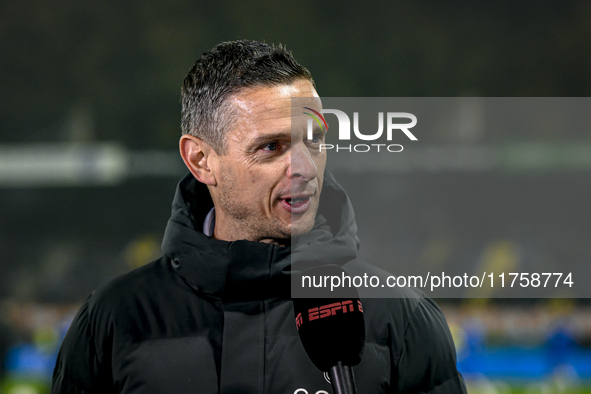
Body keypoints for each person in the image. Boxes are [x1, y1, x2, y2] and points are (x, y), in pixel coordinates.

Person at [51, 40, 467, 393]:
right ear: (201, 160)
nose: (304, 167)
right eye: (271, 147)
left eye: (315, 140)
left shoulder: (400, 317)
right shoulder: (113, 320)